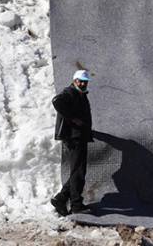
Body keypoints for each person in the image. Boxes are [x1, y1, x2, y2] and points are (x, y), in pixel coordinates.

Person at [51, 69, 94, 216]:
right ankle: (76, 204)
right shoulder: (70, 92)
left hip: (79, 136)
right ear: (74, 80)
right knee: (78, 172)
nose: (82, 83)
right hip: (74, 137)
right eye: (80, 81)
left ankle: (61, 198)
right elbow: (56, 101)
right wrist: (72, 118)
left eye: (85, 81)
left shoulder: (79, 94)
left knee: (77, 171)